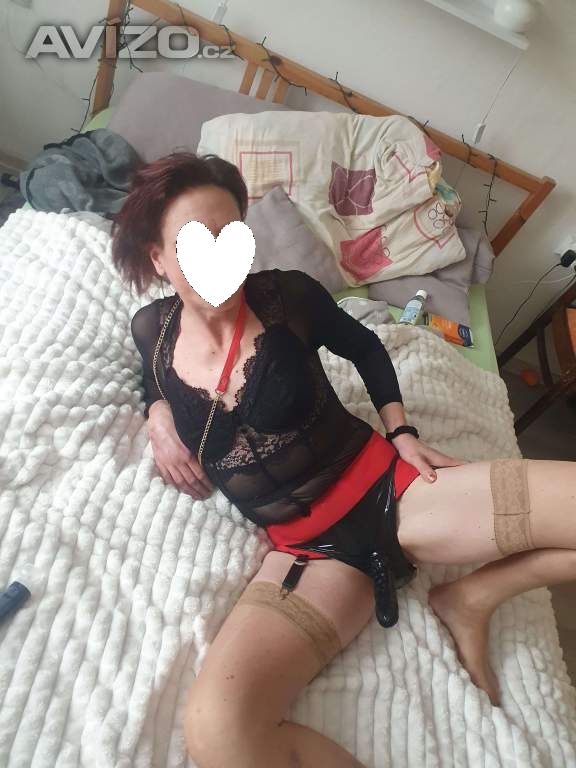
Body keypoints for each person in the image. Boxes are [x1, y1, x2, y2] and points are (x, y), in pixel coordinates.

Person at [112, 151, 576, 768]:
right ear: (158, 258)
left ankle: (474, 597)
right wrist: (157, 414)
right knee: (220, 733)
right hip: (308, 554)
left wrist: (401, 430)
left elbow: (367, 349)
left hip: (392, 489)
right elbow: (152, 378)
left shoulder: (288, 297)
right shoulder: (152, 330)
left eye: (230, 237)